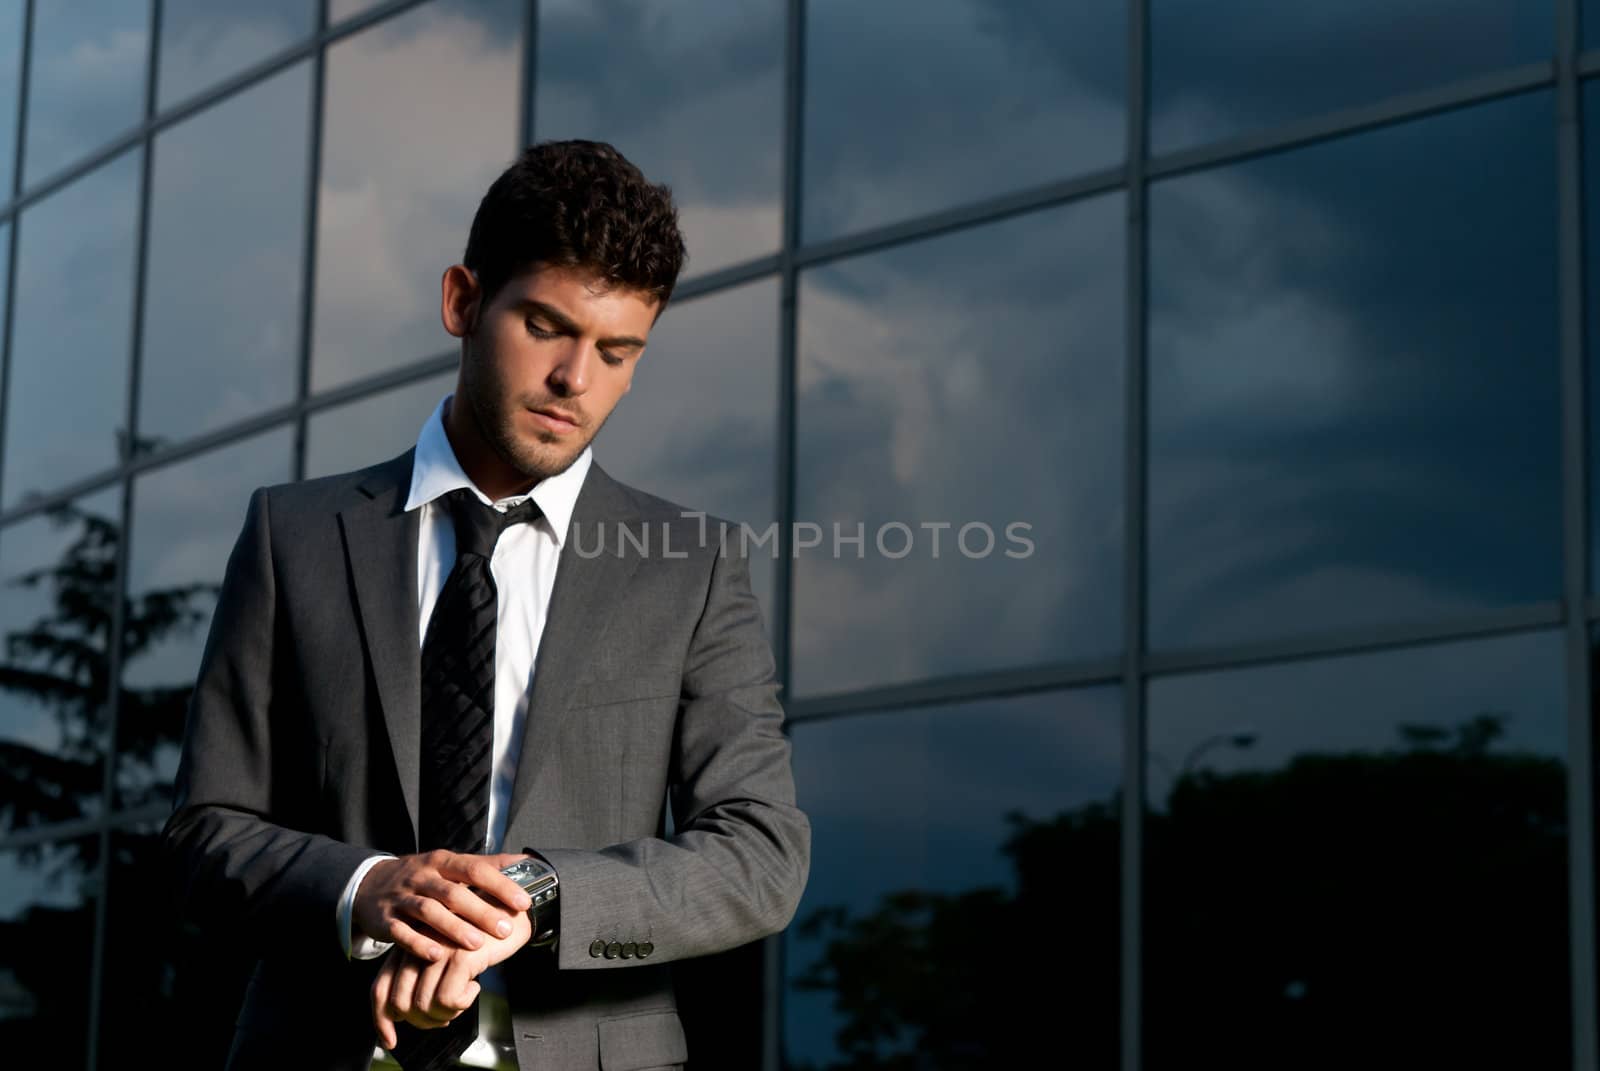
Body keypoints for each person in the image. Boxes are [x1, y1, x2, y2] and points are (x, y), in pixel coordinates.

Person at [162, 139, 811, 1071]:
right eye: (547, 326)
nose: (575, 381)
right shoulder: (292, 536)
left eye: (617, 351)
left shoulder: (689, 565)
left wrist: (533, 901)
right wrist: (368, 888)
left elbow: (760, 852)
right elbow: (203, 830)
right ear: (463, 301)